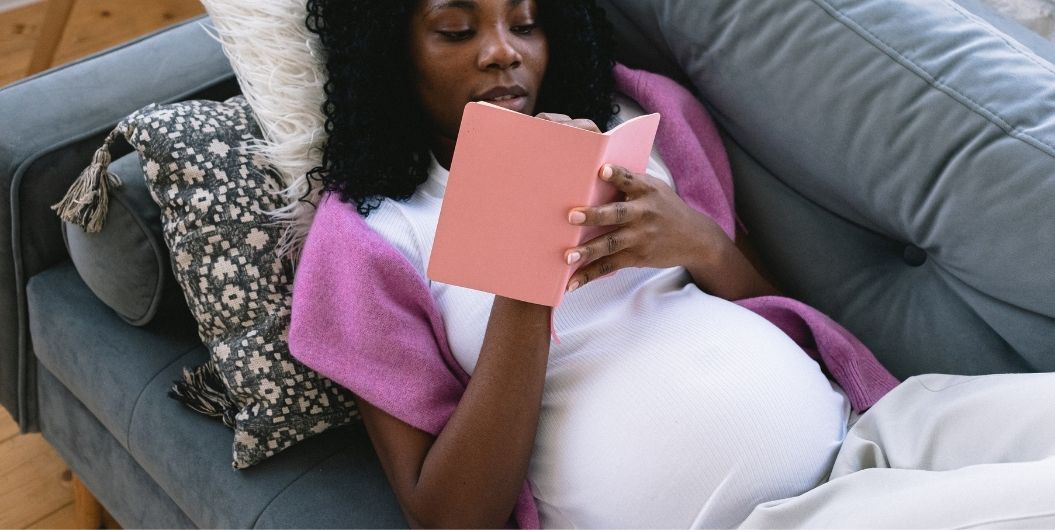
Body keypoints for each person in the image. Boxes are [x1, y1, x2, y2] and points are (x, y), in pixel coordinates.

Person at [289, 0, 1055, 528]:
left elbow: (772, 310)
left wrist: (701, 244)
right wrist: (525, 279)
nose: (503, 50)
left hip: (872, 430)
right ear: (391, 52)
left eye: (525, 23)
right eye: (456, 29)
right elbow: (449, 512)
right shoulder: (373, 233)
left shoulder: (633, 116)